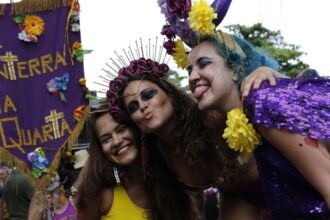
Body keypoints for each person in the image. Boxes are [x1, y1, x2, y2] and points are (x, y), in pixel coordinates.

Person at [105, 39, 285, 219]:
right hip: (240, 198)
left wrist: (265, 71)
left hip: (282, 182)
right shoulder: (154, 156)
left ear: (170, 96)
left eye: (148, 95)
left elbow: (244, 89)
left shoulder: (210, 115)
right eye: (133, 107)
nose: (142, 106)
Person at [187, 30, 330, 219]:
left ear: (237, 69)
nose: (192, 77)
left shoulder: (262, 100)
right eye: (189, 70)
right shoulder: (232, 121)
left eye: (203, 64)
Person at [75, 103, 195, 220]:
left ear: (137, 129)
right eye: (106, 139)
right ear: (100, 150)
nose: (116, 141)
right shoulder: (99, 194)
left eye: (121, 129)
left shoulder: (172, 178)